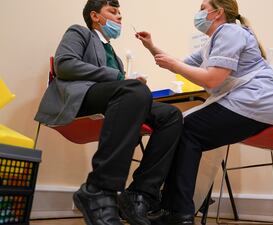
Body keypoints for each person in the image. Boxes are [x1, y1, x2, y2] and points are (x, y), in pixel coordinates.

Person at [135, 0, 273, 224]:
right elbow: (181, 66)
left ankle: (176, 211)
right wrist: (151, 46)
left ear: (217, 12)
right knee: (186, 132)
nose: (199, 13)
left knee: (185, 129)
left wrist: (172, 64)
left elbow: (211, 78)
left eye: (203, 8)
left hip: (257, 101)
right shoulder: (213, 42)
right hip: (256, 104)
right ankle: (175, 210)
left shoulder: (230, 32)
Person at [34, 0, 183, 225]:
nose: (119, 17)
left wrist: (128, 82)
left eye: (120, 13)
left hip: (114, 101)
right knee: (134, 89)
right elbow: (64, 65)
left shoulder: (114, 53)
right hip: (82, 98)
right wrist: (121, 78)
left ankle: (138, 195)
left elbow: (122, 87)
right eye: (113, 12)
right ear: (95, 16)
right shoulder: (80, 33)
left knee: (171, 115)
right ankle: (99, 189)